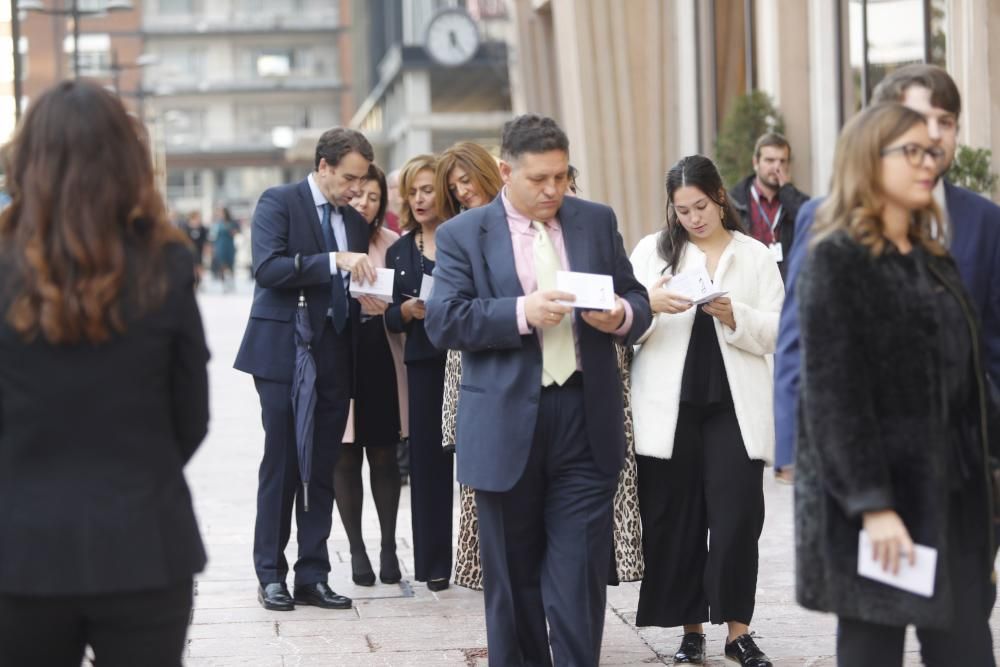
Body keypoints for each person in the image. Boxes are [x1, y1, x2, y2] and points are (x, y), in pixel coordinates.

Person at [425, 114, 652, 666]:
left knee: (578, 579)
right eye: (539, 179)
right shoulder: (463, 234)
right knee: (514, 584)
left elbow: (637, 300)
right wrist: (521, 312)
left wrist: (621, 315)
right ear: (506, 171)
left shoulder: (596, 222)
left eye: (561, 176)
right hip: (503, 426)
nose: (553, 190)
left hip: (583, 417)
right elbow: (445, 321)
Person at [0, 80, 210, 666]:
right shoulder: (166, 262)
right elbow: (191, 414)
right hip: (144, 539)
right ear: (126, 158)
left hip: (18, 547)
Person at [796, 102, 997, 666]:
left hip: (952, 496)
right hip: (880, 503)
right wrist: (872, 504)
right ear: (869, 159)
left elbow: (967, 376)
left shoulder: (933, 256)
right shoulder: (838, 258)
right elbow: (834, 395)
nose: (927, 162)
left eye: (932, 152)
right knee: (871, 651)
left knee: (966, 649)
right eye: (911, 151)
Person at [773, 63, 1000, 484]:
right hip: (863, 462)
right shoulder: (826, 220)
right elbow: (799, 342)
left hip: (963, 472)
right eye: (919, 121)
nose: (934, 135)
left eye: (946, 122)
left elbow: (993, 347)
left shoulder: (986, 222)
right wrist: (791, 449)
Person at [629, 155, 782, 667]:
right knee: (676, 520)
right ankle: (690, 630)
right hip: (669, 409)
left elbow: (781, 330)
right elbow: (624, 320)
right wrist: (652, 304)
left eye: (700, 206)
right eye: (682, 210)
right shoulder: (653, 251)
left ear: (719, 196)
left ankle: (739, 632)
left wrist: (736, 314)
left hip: (734, 408)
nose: (693, 218)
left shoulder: (755, 255)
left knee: (739, 518)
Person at [234, 127, 377, 612]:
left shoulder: (355, 222)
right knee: (284, 461)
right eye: (350, 178)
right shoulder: (279, 201)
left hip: (337, 352)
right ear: (323, 166)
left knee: (323, 466)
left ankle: (312, 574)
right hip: (282, 352)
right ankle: (270, 573)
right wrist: (331, 260)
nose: (357, 189)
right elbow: (267, 268)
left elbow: (353, 284)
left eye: (362, 180)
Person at [434, 141, 504, 591]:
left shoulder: (526, 222)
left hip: (521, 363)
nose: (461, 190)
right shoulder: (457, 232)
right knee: (478, 482)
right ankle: (490, 578)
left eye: (466, 179)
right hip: (469, 361)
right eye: (454, 186)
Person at [334, 163, 407, 586]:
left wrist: (395, 308)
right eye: (358, 193)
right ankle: (357, 548)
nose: (364, 202)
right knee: (343, 455)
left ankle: (387, 545)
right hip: (339, 353)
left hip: (379, 349)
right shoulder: (331, 243)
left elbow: (406, 299)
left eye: (374, 197)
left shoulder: (392, 243)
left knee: (383, 453)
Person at [384, 154, 453, 592]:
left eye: (428, 189)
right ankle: (433, 564)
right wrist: (404, 310)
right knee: (427, 468)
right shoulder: (400, 249)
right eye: (413, 191)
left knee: (479, 466)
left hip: (468, 358)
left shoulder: (466, 237)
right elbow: (386, 316)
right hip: (425, 364)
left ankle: (481, 558)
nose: (420, 198)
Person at [728, 133, 809, 279]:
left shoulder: (798, 201)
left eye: (782, 161)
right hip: (749, 279)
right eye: (770, 160)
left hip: (787, 283)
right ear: (755, 163)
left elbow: (811, 224)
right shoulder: (735, 201)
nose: (777, 167)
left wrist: (787, 192)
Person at [210, 205, 240, 292]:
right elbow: (213, 235)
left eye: (221, 212)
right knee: (222, 265)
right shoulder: (217, 223)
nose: (220, 214)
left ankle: (231, 283)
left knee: (231, 265)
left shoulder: (232, 222)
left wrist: (233, 232)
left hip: (229, 245)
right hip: (220, 245)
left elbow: (237, 231)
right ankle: (224, 285)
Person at [180, 210, 208, 287]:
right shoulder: (185, 227)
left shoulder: (202, 228)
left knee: (199, 266)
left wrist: (207, 248)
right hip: (188, 250)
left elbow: (206, 240)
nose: (198, 219)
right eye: (197, 217)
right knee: (190, 266)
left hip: (199, 250)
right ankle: (191, 282)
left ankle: (200, 281)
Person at [384, 168, 402, 234]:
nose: (403, 190)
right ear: (388, 191)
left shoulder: (416, 221)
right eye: (399, 187)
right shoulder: (378, 221)